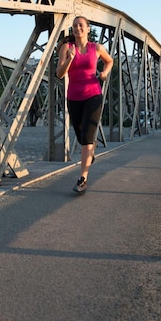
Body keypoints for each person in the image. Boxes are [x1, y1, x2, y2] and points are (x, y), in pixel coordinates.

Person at [56, 16, 113, 193]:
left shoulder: (96, 48)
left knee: (87, 139)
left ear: (88, 28)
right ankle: (90, 152)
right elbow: (59, 74)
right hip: (73, 97)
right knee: (81, 137)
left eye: (81, 25)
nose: (77, 28)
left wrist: (104, 73)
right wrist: (69, 60)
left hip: (93, 95)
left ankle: (82, 179)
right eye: (74, 26)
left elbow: (109, 60)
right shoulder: (67, 48)